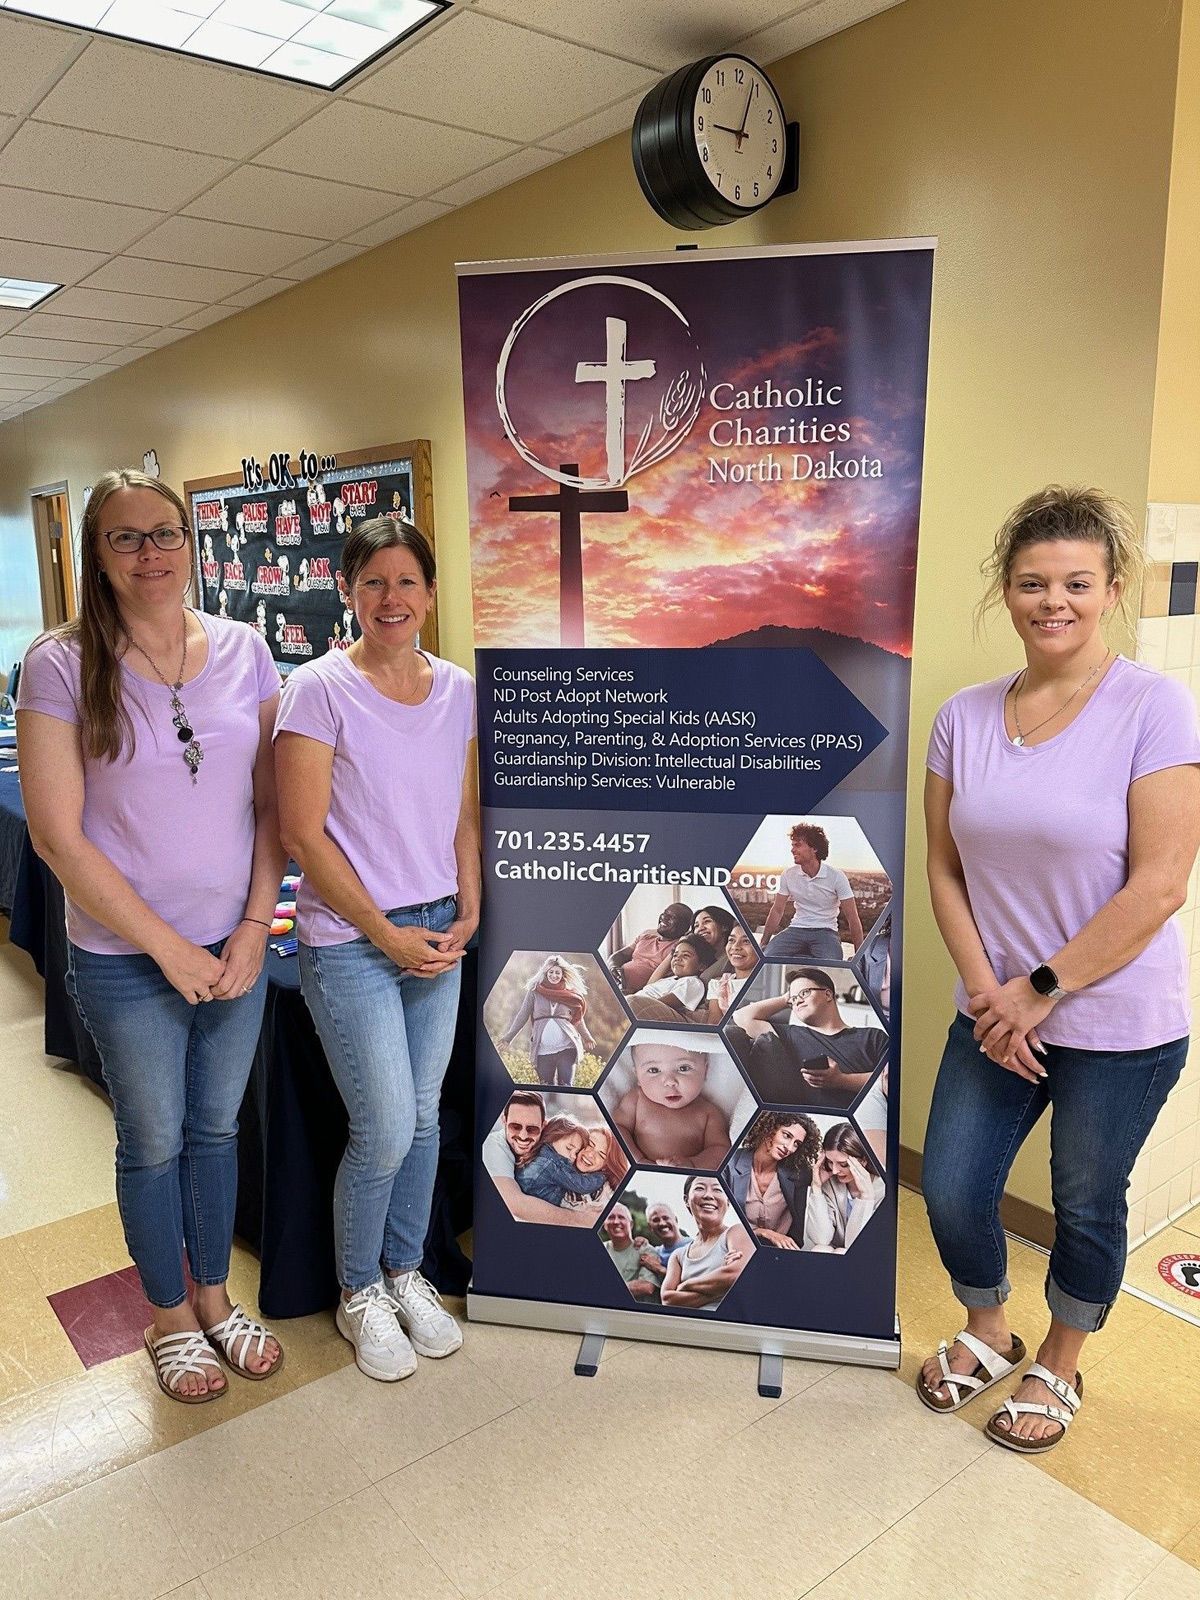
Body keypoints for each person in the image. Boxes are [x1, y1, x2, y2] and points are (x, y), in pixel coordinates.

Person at [918, 485, 1200, 1454]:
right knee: (953, 1188)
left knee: (1085, 1199)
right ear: (1007, 591)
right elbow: (942, 865)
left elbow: (1160, 884)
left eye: (1077, 582)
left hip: (1118, 1028)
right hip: (996, 1015)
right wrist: (993, 999)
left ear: (1112, 588)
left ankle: (1061, 1361)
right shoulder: (960, 716)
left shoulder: (1156, 708)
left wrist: (1039, 991)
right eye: (1034, 583)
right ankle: (990, 1331)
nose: (1055, 601)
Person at [17, 468, 285, 1403]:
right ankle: (168, 1315)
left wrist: (253, 926)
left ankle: (215, 1297)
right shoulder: (59, 663)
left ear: (190, 540)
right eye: (125, 538)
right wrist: (171, 950)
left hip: (236, 945)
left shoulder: (248, 650)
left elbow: (270, 805)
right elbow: (56, 834)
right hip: (127, 961)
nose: (150, 553)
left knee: (217, 1131)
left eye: (165, 532)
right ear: (97, 553)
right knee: (156, 1137)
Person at [275, 515, 479, 1383]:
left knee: (427, 1117)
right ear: (349, 594)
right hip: (352, 938)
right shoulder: (317, 690)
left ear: (431, 594)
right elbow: (301, 834)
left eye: (406, 583)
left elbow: (465, 812)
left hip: (438, 925)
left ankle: (406, 1270)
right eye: (372, 584)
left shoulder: (461, 688)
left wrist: (471, 907)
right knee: (387, 1122)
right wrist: (385, 932)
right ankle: (359, 1291)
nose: (390, 599)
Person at [732, 967, 887, 1106]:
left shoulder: (873, 1038)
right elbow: (742, 1017)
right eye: (794, 999)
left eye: (805, 993)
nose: (798, 1000)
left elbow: (897, 1083)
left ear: (828, 994)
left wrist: (840, 1080)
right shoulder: (791, 1035)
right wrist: (787, 998)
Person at [482, 1090, 602, 1227]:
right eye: (515, 1127)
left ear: (544, 1127)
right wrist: (582, 1220)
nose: (523, 1136)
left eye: (532, 1129)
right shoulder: (493, 1147)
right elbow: (515, 1204)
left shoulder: (542, 1150)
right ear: (504, 1121)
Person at [611, 1035, 731, 1168]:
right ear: (637, 1076)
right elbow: (616, 1129)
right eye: (654, 1070)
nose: (670, 1081)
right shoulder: (637, 1100)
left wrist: (692, 1164)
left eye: (683, 1068)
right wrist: (636, 1161)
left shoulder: (708, 1113)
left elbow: (720, 1150)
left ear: (705, 1070)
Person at [758, 823, 863, 960]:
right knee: (767, 959)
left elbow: (852, 917)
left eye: (798, 845)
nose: (792, 850)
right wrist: (764, 943)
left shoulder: (836, 876)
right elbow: (777, 910)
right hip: (796, 929)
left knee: (832, 965)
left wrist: (860, 955)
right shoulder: (788, 874)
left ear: (814, 848)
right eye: (792, 845)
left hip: (826, 931)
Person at [725, 1112, 821, 1249]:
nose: (789, 1147)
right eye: (786, 1135)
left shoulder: (799, 1173)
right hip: (739, 1247)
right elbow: (723, 1220)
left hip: (779, 1253)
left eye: (796, 1144)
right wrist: (763, 1232)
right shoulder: (730, 1164)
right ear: (770, 1128)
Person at [500, 954, 596, 1086]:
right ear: (546, 973)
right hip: (543, 1051)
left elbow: (579, 1019)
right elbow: (522, 1016)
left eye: (557, 972)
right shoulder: (534, 992)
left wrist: (587, 1037)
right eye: (551, 972)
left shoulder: (570, 995)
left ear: (562, 974)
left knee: (566, 1085)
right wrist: (508, 1038)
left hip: (567, 1048)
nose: (554, 975)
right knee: (545, 1085)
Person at [661, 1177, 754, 1310]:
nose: (709, 1195)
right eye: (700, 1188)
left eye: (717, 1189)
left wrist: (686, 1285)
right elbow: (667, 1300)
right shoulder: (678, 1255)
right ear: (686, 1200)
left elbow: (736, 1275)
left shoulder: (736, 1232)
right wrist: (722, 1288)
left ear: (727, 1201)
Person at [804, 1123, 884, 1252]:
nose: (835, 1171)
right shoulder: (830, 1182)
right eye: (830, 1162)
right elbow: (821, 1238)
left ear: (863, 1161)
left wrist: (866, 1198)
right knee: (820, 1249)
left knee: (842, 1251)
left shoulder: (882, 1189)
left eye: (843, 1164)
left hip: (868, 1255)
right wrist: (816, 1188)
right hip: (835, 1253)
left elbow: (855, 1246)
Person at [514, 1116, 609, 1208]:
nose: (573, 1156)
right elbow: (582, 1185)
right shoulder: (551, 1165)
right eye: (569, 1148)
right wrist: (602, 1177)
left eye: (576, 1152)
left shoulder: (543, 1155)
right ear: (551, 1139)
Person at [609, 901, 694, 992]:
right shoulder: (646, 936)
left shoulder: (679, 948)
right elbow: (620, 954)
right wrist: (613, 966)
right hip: (613, 983)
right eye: (665, 913)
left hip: (632, 993)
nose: (664, 918)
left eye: (672, 917)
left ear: (684, 927)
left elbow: (669, 981)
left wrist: (638, 992)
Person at [627, 936, 709, 1021]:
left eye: (685, 955)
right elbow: (649, 985)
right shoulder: (669, 979)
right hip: (638, 1003)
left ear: (701, 966)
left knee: (630, 1002)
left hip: (647, 1007)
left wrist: (635, 1001)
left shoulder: (693, 982)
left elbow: (662, 1004)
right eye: (675, 955)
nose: (677, 958)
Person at [560, 1126, 629, 1214]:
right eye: (590, 1144)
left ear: (606, 1166)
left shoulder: (599, 1198)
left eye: (601, 1155)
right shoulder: (559, 1156)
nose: (591, 1154)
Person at [602, 1204, 661, 1301]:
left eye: (621, 1217)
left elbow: (647, 1287)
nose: (616, 1221)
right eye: (611, 1217)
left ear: (631, 1224)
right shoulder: (601, 1249)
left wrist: (606, 1290)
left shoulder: (646, 1250)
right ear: (604, 1225)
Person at [705, 922, 761, 1023]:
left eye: (746, 941)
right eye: (731, 940)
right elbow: (714, 1022)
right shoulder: (717, 984)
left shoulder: (767, 986)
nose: (735, 946)